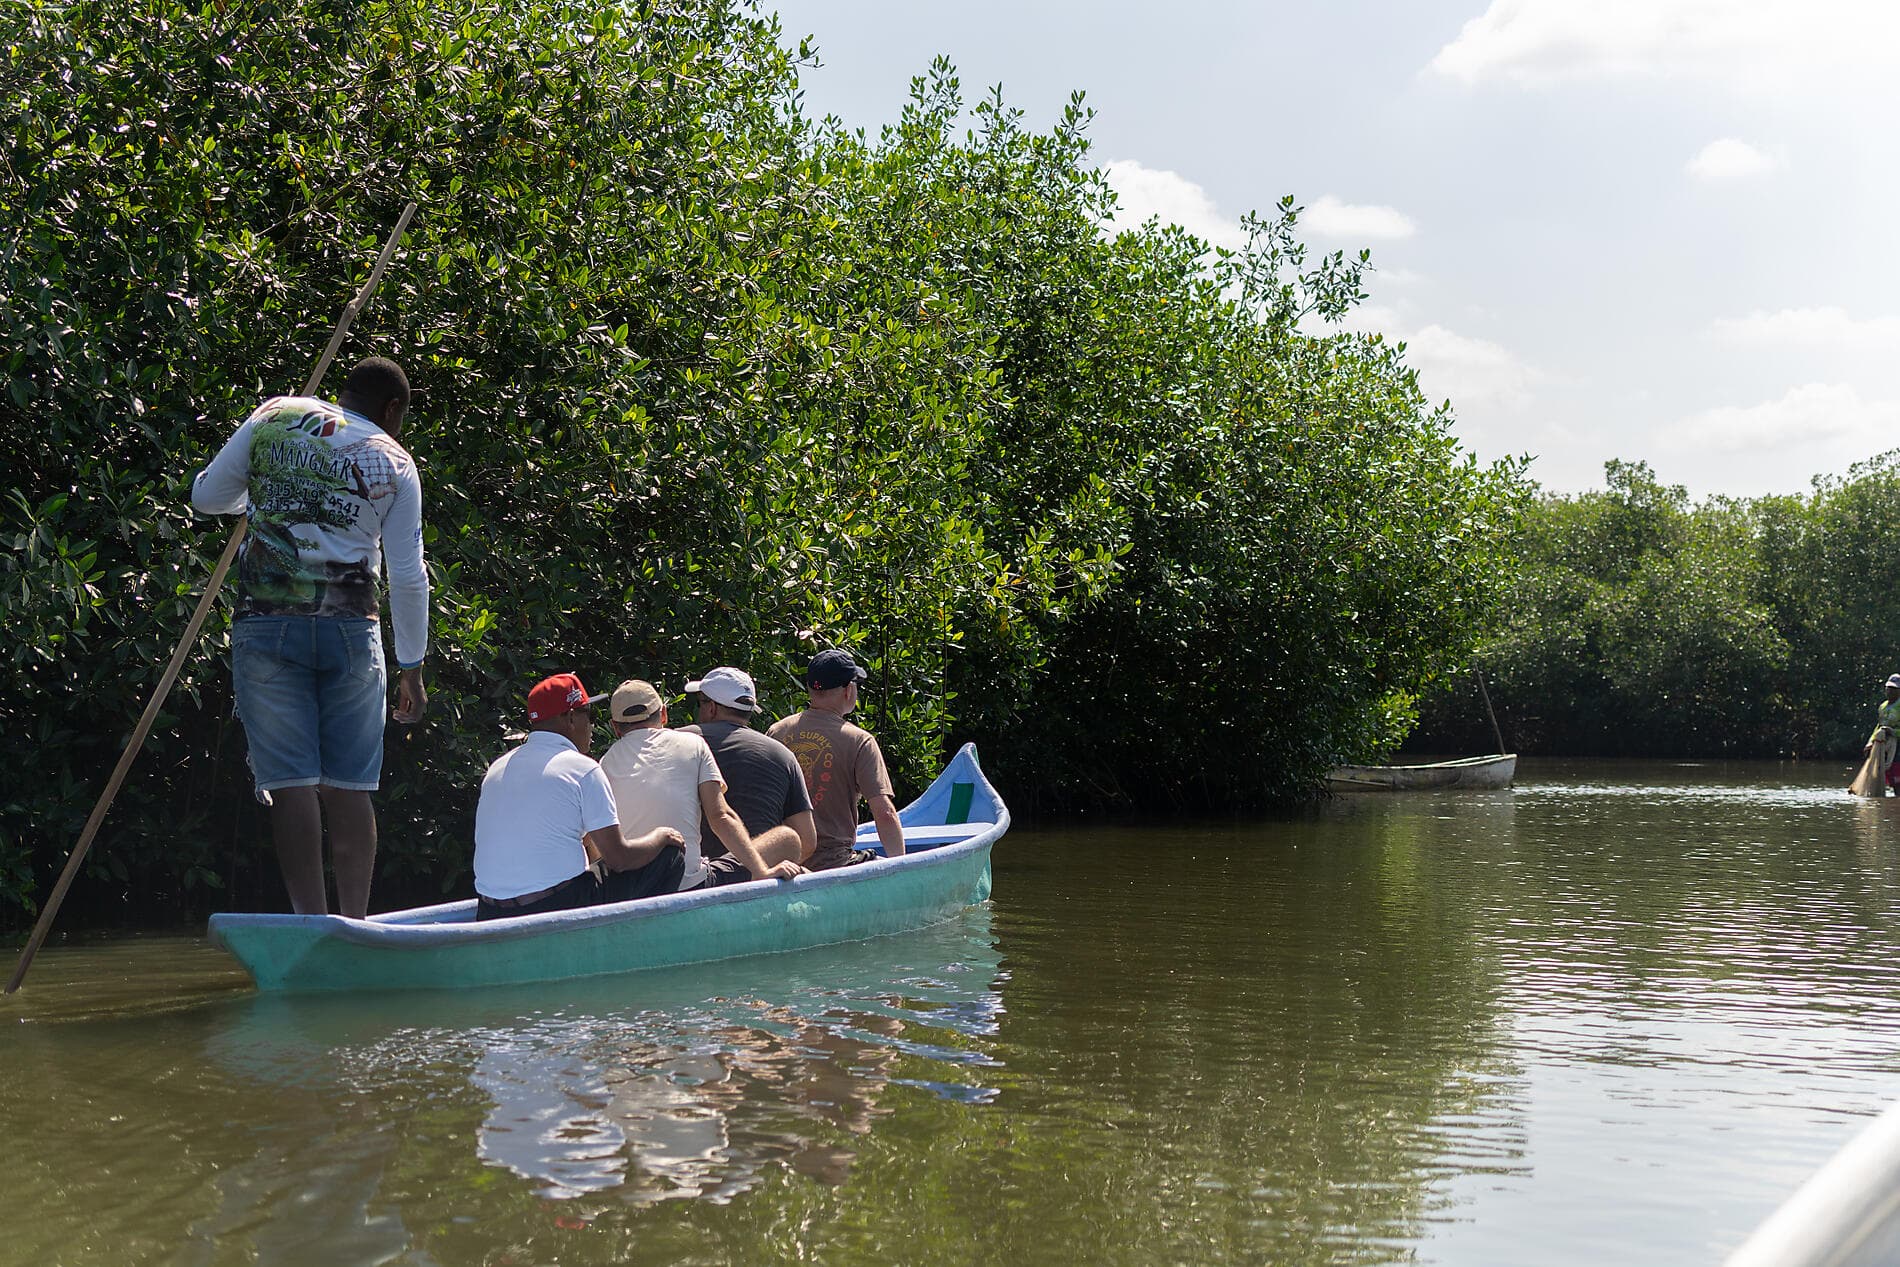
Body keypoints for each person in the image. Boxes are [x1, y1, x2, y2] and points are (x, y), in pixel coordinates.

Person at [191, 356, 429, 918]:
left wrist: (259, 501)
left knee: (291, 785)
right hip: (351, 629)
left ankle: (310, 922)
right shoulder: (395, 460)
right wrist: (412, 667)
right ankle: (354, 923)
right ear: (392, 409)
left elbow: (205, 497)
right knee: (349, 787)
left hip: (266, 624)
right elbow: (409, 572)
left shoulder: (275, 414)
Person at [471, 673, 685, 920]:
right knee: (669, 855)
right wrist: (662, 836)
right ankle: (637, 947)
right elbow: (619, 858)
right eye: (588, 715)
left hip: (489, 911)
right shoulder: (582, 769)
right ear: (571, 718)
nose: (592, 726)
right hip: (556, 906)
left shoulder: (498, 767)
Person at [598, 679, 806, 890]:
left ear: (615, 728)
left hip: (632, 889)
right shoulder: (692, 744)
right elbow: (720, 816)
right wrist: (762, 872)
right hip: (687, 885)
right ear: (663, 713)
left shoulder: (604, 764)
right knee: (786, 839)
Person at [767, 649, 905, 869]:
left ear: (810, 688)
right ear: (849, 690)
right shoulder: (860, 740)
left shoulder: (777, 732)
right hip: (833, 863)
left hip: (781, 863)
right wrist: (902, 868)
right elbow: (885, 813)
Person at [679, 666, 816, 864]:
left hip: (684, 876)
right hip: (754, 877)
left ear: (711, 708)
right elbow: (807, 841)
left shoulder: (675, 741)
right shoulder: (783, 755)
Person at [1866, 674, 1900, 795]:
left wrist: (1893, 732)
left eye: (1894, 689)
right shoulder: (1883, 706)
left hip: (1898, 747)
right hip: (1884, 745)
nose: (1890, 691)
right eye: (1888, 688)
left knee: (1898, 781)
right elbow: (1879, 726)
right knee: (1886, 776)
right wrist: (1871, 742)